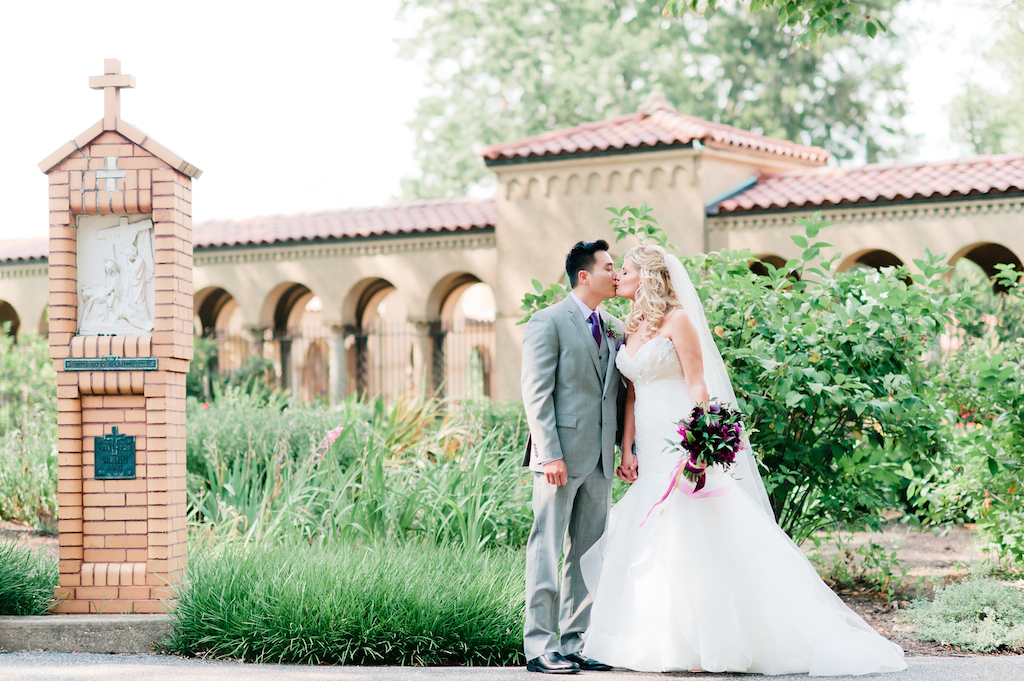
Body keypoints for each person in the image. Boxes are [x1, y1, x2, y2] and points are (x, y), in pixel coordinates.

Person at [579, 245, 908, 676]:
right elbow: (633, 393)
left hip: (680, 438)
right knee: (653, 538)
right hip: (649, 444)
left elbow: (699, 386)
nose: (618, 276)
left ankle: (714, 643)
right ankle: (658, 640)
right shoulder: (631, 326)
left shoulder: (678, 320)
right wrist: (628, 447)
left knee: (695, 535)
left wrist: (698, 447)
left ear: (648, 276)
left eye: (625, 270)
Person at [521, 240, 624, 674]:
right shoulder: (547, 321)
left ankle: (575, 641)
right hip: (558, 460)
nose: (616, 273)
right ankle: (540, 647)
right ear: (585, 275)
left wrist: (624, 448)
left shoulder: (615, 325)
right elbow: (536, 393)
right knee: (547, 547)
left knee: (589, 553)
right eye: (609, 266)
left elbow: (617, 393)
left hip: (601, 459)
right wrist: (549, 455)